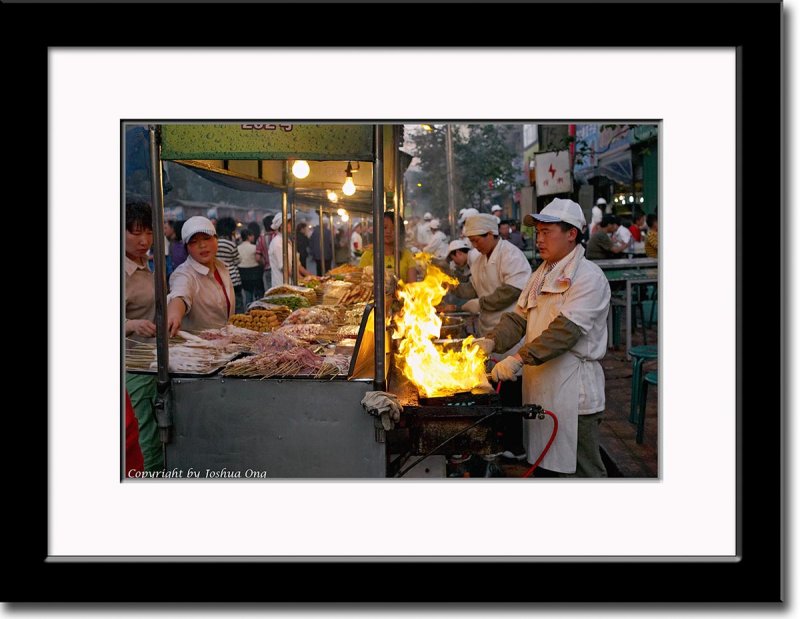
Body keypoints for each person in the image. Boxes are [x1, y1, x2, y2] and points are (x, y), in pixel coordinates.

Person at [475, 197, 611, 477]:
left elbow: (564, 332)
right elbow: (518, 318)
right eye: (538, 232)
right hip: (541, 389)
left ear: (572, 234)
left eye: (547, 232)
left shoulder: (588, 277)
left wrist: (516, 359)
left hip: (573, 392)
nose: (539, 239)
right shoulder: (541, 273)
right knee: (545, 467)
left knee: (583, 470)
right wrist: (492, 340)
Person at [124, 200, 163, 472]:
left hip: (151, 361)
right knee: (143, 438)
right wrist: (132, 324)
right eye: (135, 233)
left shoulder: (146, 262)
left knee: (155, 435)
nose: (144, 240)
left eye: (148, 232)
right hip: (131, 368)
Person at [453, 213, 531, 338]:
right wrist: (450, 285)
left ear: (490, 234)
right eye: (471, 241)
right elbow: (474, 288)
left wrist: (480, 304)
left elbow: (512, 291)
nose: (474, 246)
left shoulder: (510, 254)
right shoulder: (479, 259)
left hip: (510, 331)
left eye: (476, 241)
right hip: (486, 328)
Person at [166, 216, 234, 336]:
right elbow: (180, 295)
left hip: (226, 346)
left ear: (216, 239)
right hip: (199, 350)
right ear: (187, 248)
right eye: (193, 241)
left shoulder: (222, 267)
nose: (202, 245)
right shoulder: (184, 274)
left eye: (206, 238)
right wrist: (174, 315)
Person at [359, 211, 418, 283]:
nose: (388, 231)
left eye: (393, 228)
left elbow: (412, 285)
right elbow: (360, 281)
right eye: (384, 228)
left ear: (400, 231)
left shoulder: (407, 255)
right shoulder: (368, 255)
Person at [268, 212, 310, 286]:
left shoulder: (288, 241)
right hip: (282, 285)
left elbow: (297, 265)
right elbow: (286, 269)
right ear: (282, 226)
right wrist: (303, 280)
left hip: (292, 283)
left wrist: (311, 276)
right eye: (290, 223)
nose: (292, 226)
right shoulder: (278, 243)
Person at [215, 217, 243, 314]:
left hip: (218, 278)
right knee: (237, 304)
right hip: (233, 279)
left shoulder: (215, 244)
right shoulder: (231, 244)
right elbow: (238, 260)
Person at [237, 228, 261, 307]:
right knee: (257, 295)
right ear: (248, 236)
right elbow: (258, 259)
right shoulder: (254, 247)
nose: (253, 237)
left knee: (248, 295)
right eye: (252, 235)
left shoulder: (238, 248)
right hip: (255, 273)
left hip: (242, 273)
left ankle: (247, 311)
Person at [255, 214, 275, 293]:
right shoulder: (279, 236)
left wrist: (265, 263)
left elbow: (257, 258)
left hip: (267, 270)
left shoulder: (260, 238)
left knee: (270, 295)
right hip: (279, 271)